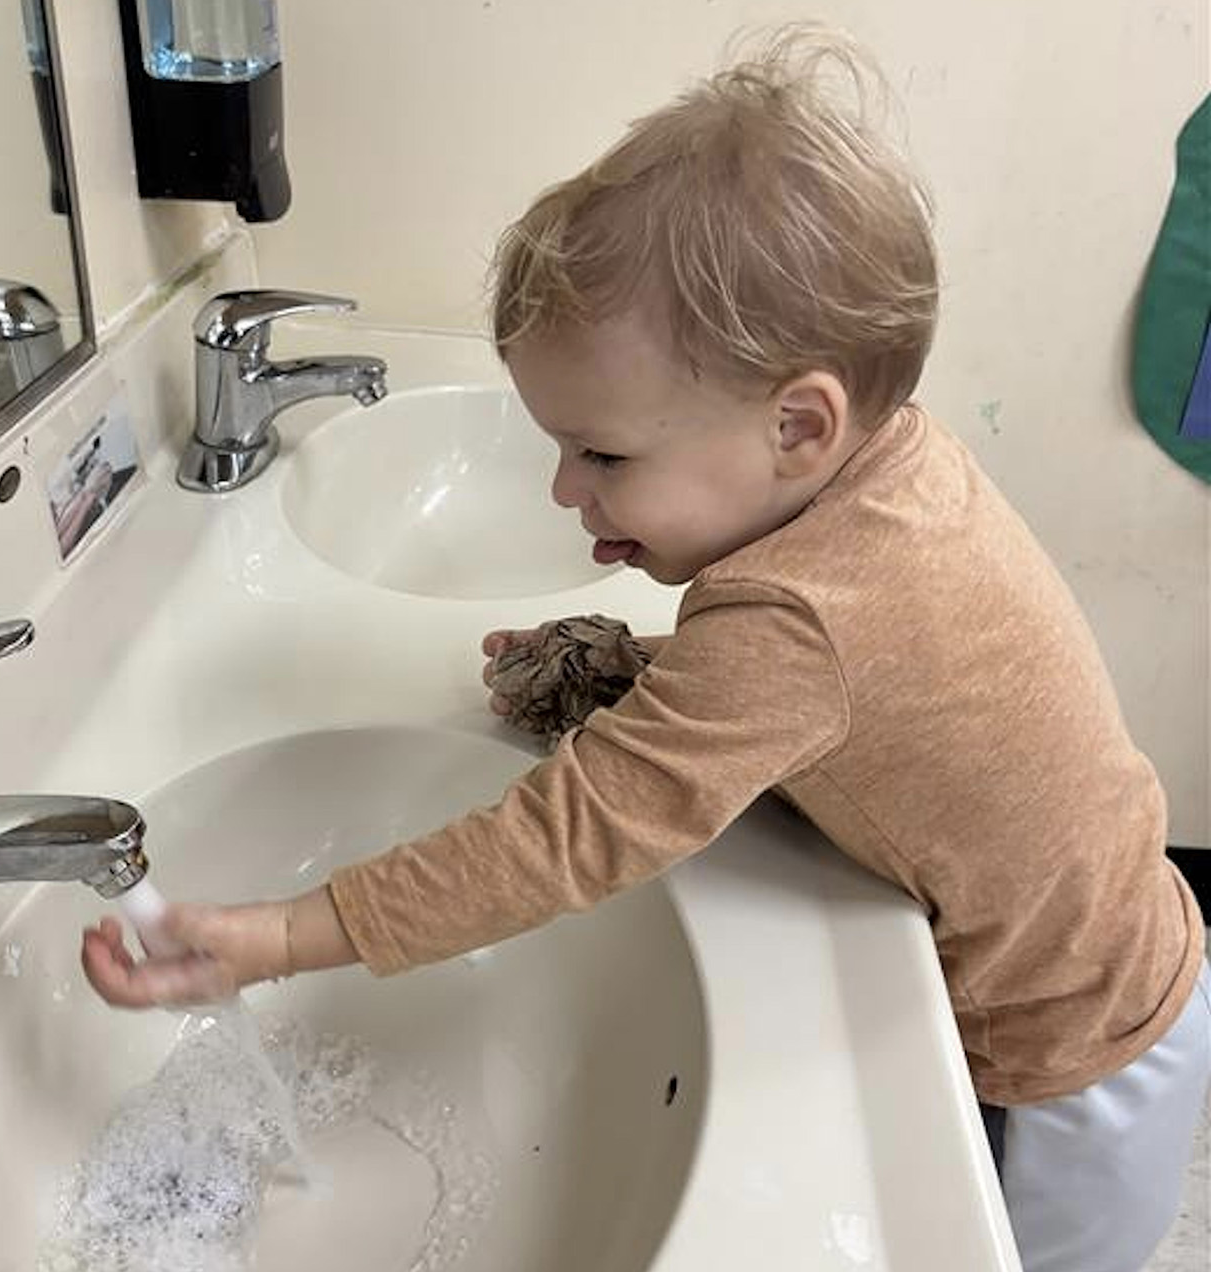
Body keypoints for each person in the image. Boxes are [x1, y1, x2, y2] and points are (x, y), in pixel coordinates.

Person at [81, 27, 1209, 1271]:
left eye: (605, 455)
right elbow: (829, 689)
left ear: (797, 423)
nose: (567, 491)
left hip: (1065, 1053)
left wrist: (285, 936)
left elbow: (576, 834)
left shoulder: (799, 622)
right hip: (1131, 941)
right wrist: (625, 672)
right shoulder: (880, 475)